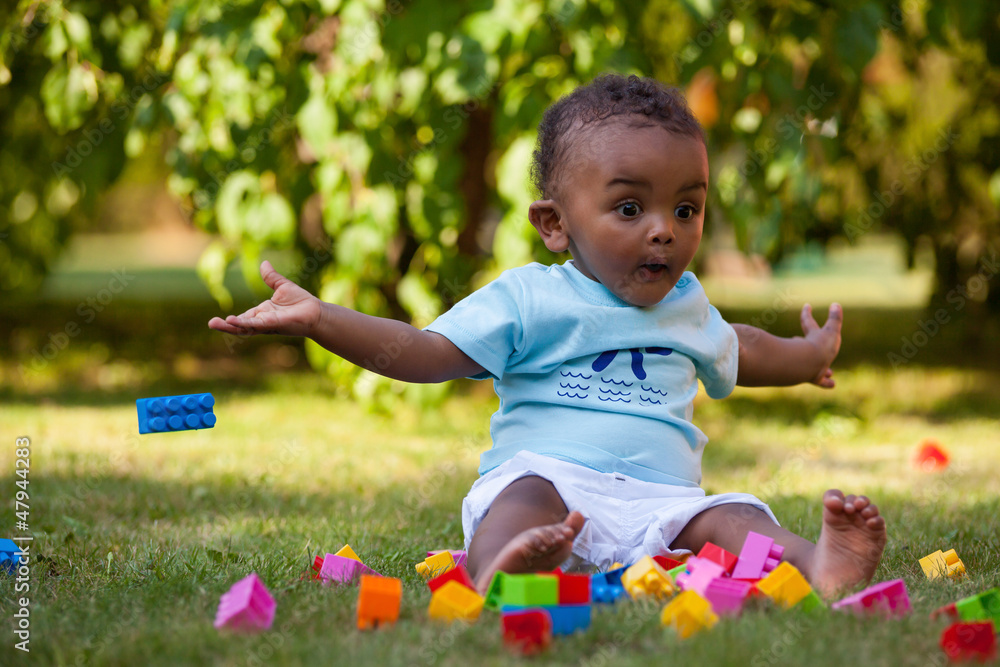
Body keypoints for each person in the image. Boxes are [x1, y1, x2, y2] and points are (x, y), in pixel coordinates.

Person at [209, 73, 885, 597]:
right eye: (630, 206)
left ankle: (822, 562)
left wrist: (810, 355)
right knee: (520, 497)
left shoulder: (687, 306)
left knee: (733, 518)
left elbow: (744, 348)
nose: (664, 229)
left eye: (687, 207)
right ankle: (504, 563)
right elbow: (422, 352)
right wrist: (321, 316)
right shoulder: (531, 297)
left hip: (664, 508)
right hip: (553, 481)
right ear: (555, 224)